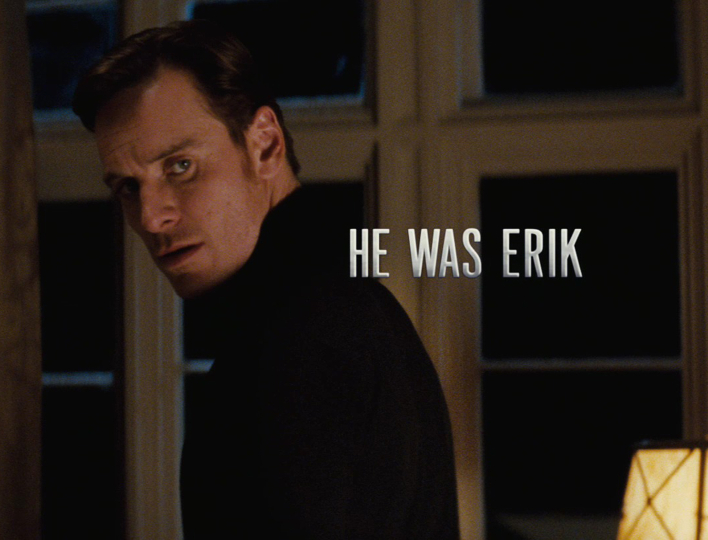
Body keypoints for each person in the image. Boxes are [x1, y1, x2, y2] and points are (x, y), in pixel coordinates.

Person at [72, 20, 460, 539]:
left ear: (265, 145)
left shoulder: (304, 335)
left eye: (180, 166)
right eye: (127, 187)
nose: (150, 217)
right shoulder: (334, 311)